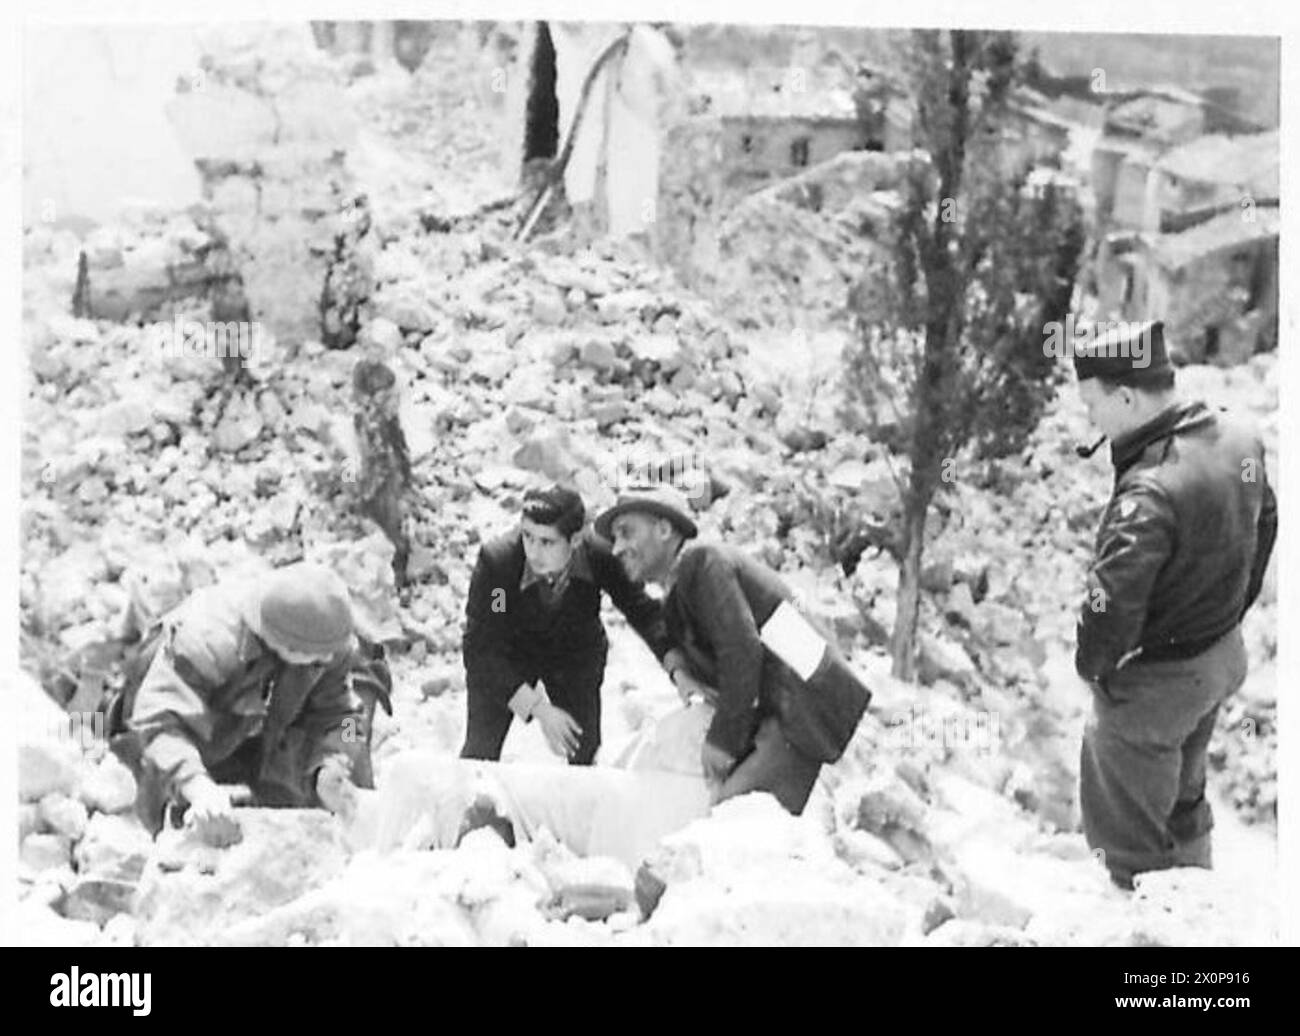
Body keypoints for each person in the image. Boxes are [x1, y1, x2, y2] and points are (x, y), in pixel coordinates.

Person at [1071, 319, 1276, 889]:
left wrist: (1097, 670)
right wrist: (1229, 613)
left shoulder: (1149, 493)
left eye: (1094, 405)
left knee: (1129, 845)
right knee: (1184, 798)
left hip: (1159, 685)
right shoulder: (1240, 439)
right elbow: (1266, 524)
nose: (1091, 421)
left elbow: (1109, 602)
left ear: (1128, 396)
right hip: (1218, 658)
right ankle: (1201, 915)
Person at [596, 484, 871, 815]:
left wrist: (722, 742)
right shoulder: (683, 587)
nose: (617, 548)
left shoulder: (703, 562)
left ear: (665, 529)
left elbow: (742, 652)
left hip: (800, 716)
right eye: (615, 538)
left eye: (626, 533)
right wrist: (682, 674)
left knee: (727, 824)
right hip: (781, 716)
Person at [108, 562, 392, 847]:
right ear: (288, 647)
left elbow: (349, 719)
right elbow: (159, 722)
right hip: (186, 720)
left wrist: (333, 766)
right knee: (174, 812)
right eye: (318, 659)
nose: (329, 662)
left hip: (261, 723)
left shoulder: (330, 645)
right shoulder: (207, 639)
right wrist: (197, 786)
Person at [461, 484, 670, 766]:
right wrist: (537, 708)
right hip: (509, 657)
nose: (534, 553)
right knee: (479, 753)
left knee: (584, 750)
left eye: (547, 542)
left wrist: (677, 666)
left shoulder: (600, 557)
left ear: (575, 540)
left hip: (573, 656)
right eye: (527, 537)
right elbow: (482, 648)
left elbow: (642, 611)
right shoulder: (500, 568)